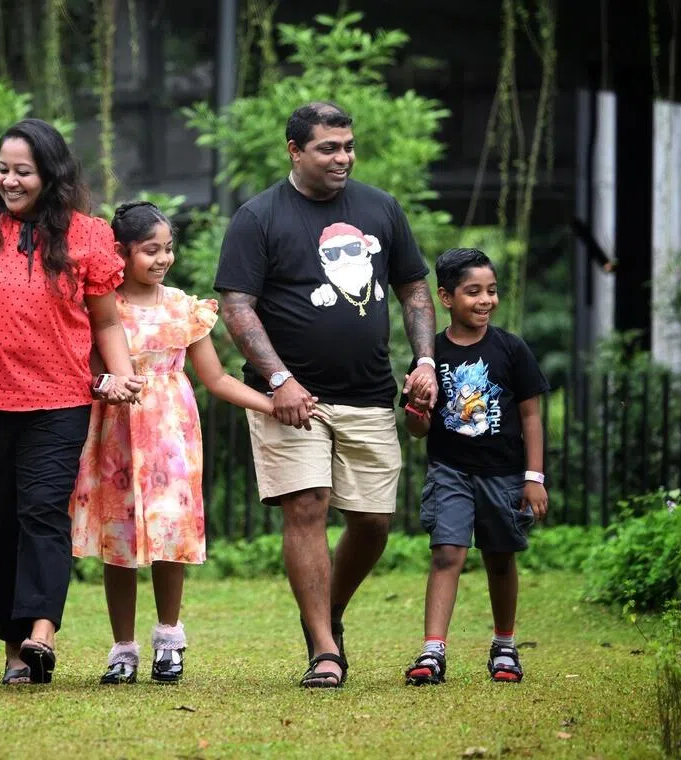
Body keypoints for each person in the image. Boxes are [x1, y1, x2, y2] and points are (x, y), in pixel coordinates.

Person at [213, 102, 438, 688]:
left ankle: (330, 612)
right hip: (292, 399)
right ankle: (324, 650)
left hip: (369, 394)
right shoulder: (258, 217)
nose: (343, 157)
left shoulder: (380, 207)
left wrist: (426, 359)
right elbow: (237, 306)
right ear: (294, 150)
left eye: (348, 146)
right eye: (328, 148)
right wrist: (281, 379)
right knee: (307, 508)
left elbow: (413, 287)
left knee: (373, 521)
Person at [0, 118, 145, 686]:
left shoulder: (87, 235)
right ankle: (14, 649)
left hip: (58, 400)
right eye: (3, 169)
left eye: (23, 171)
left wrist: (123, 378)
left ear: (51, 175)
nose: (10, 180)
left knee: (43, 513)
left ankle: (42, 632)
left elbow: (106, 321)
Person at [71, 201, 288, 685]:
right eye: (151, 250)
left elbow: (214, 378)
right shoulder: (102, 308)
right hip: (116, 435)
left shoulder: (183, 307)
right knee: (118, 541)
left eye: (168, 248)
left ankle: (169, 639)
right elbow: (85, 372)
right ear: (121, 254)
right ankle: (122, 649)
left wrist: (273, 405)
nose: (163, 258)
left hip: (171, 435)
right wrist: (104, 383)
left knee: (170, 537)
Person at [400, 247, 549, 686]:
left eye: (491, 291)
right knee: (447, 553)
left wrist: (534, 478)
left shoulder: (510, 348)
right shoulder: (431, 355)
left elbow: (531, 416)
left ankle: (504, 645)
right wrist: (417, 408)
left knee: (500, 558)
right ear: (446, 297)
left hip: (504, 475)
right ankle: (433, 652)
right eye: (473, 292)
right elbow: (416, 429)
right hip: (450, 471)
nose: (485, 300)